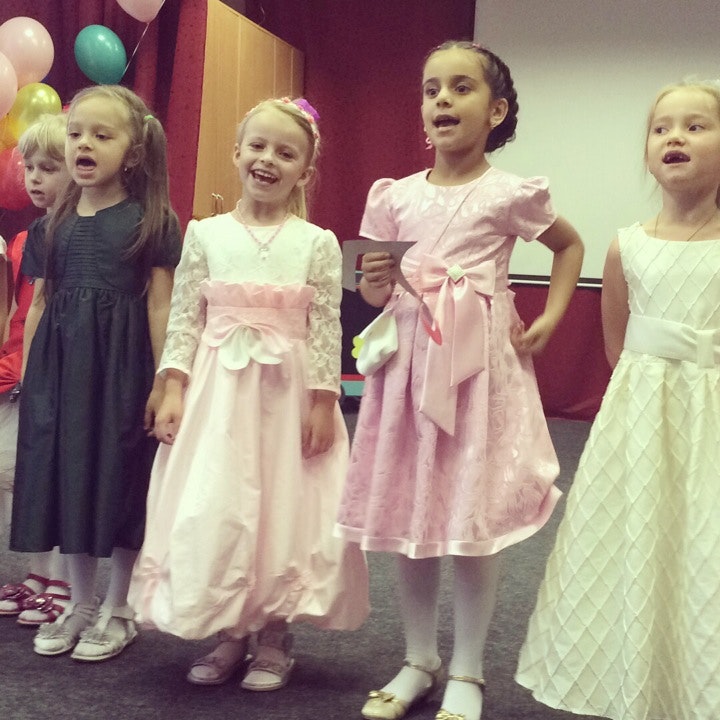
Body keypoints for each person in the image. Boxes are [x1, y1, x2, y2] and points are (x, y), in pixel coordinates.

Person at [335, 41, 584, 720]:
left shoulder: (509, 193)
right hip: (408, 371)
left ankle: (468, 667)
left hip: (478, 376)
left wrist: (552, 315)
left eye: (461, 88)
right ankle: (419, 658)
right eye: (431, 89)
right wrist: (374, 281)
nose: (442, 99)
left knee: (471, 514)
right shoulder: (393, 195)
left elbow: (569, 245)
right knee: (410, 511)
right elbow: (371, 289)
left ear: (495, 110)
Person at [129, 97, 369, 691]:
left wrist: (323, 401)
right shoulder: (205, 233)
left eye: (286, 153)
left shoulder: (316, 242)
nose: (267, 159)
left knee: (285, 506)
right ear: (236, 153)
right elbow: (185, 317)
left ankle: (275, 635)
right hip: (218, 396)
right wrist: (172, 385)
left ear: (304, 172)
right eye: (257, 146)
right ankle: (230, 630)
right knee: (221, 502)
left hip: (287, 399)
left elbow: (326, 325)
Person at [515, 79, 720, 720]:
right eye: (662, 128)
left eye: (695, 126)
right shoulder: (626, 244)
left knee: (704, 547)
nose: (675, 137)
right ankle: (644, 680)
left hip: (711, 420)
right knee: (643, 541)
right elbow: (617, 345)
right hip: (642, 423)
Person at [9, 85, 181, 661]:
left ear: (133, 153)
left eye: (102, 135)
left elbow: (161, 306)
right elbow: (39, 304)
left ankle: (119, 607)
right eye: (76, 133)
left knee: (122, 480)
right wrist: (31, 379)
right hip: (62, 375)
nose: (84, 144)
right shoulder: (50, 227)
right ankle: (80, 603)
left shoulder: (151, 221)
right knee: (69, 479)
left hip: (122, 375)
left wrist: (163, 381)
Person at [0, 114, 72, 627]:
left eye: (50, 167)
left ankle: (64, 578)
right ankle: (37, 574)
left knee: (57, 478)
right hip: (20, 372)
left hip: (60, 375)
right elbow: (16, 313)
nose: (35, 178)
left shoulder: (79, 237)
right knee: (24, 478)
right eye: (30, 167)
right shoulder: (25, 240)